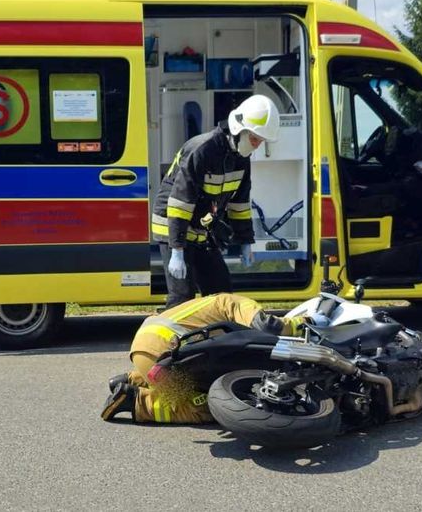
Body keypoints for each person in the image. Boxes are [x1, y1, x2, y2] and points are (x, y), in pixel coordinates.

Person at [152, 95, 281, 309]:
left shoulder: (241, 156)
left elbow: (239, 202)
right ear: (241, 130)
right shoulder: (203, 149)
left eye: (260, 141)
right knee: (183, 297)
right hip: (172, 225)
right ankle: (169, 340)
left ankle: (218, 340)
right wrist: (177, 249)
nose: (257, 146)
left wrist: (245, 240)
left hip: (201, 227)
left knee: (221, 292)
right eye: (256, 139)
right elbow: (180, 201)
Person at [101, 292, 304, 423]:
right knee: (209, 406)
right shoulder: (236, 302)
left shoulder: (210, 304)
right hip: (164, 350)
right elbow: (268, 325)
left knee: (191, 382)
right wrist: (302, 323)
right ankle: (135, 400)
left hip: (146, 349)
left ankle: (135, 377)